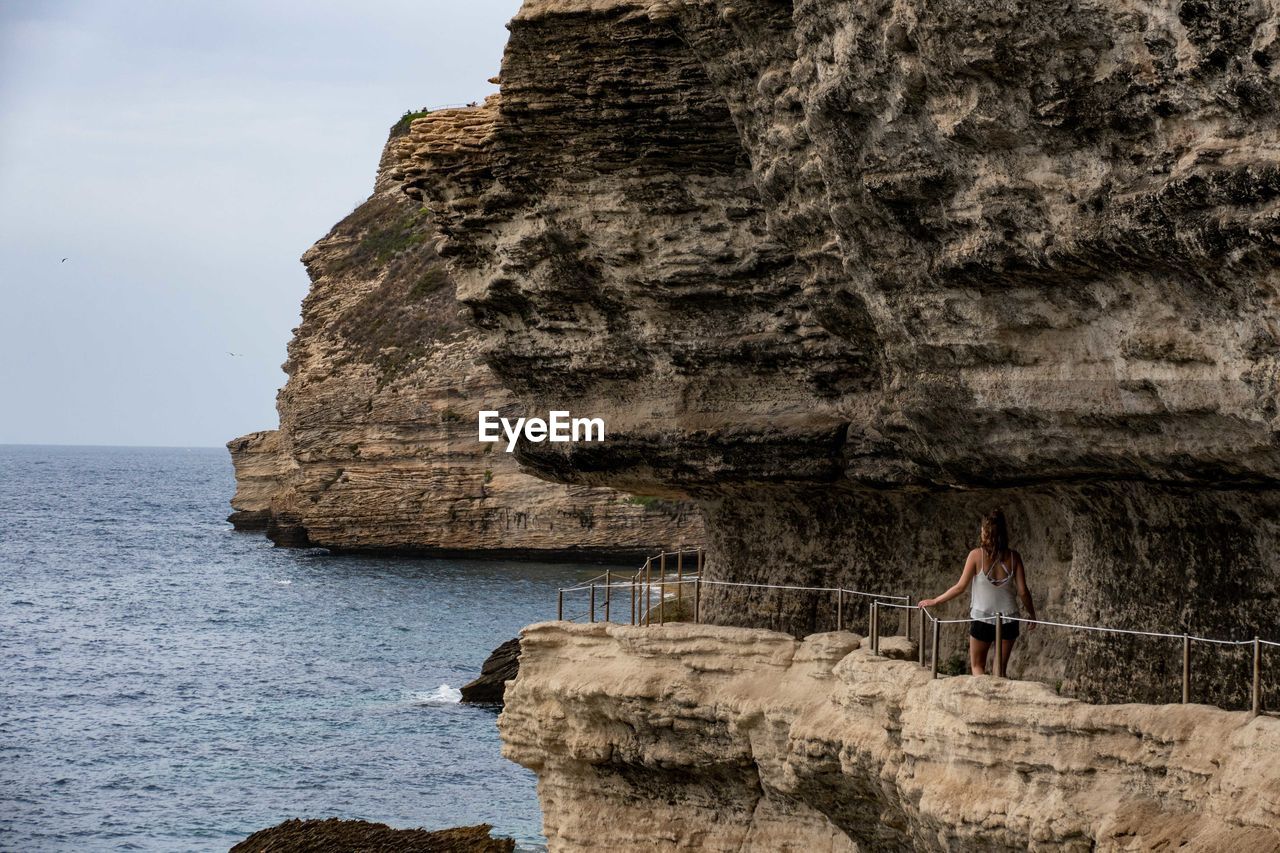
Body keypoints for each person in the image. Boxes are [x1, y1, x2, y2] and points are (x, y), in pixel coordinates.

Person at [919, 509, 1037, 676]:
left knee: (977, 666)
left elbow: (960, 587)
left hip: (982, 617)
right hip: (1009, 618)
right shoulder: (1014, 557)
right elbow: (1023, 591)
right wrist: (1032, 614)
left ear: (985, 531)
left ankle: (983, 701)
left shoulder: (976, 555)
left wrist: (935, 600)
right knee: (1000, 670)